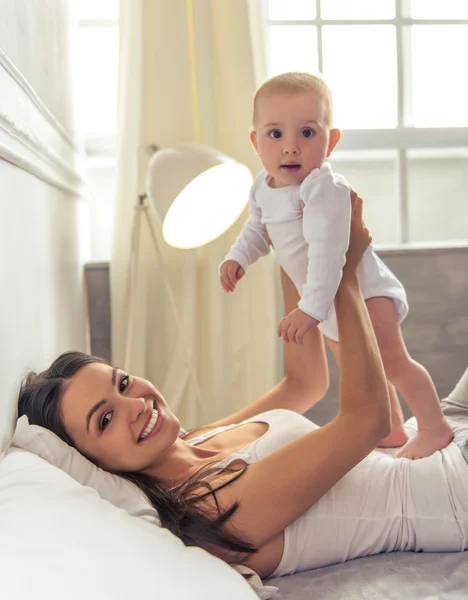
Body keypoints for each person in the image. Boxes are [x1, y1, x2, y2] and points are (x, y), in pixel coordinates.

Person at [17, 196, 468, 581]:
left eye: (123, 383)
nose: (135, 404)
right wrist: (342, 268)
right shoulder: (211, 511)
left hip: (441, 437)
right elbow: (367, 422)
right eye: (106, 418)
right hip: (454, 490)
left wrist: (291, 243)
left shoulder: (197, 440)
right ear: (94, 463)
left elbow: (305, 382)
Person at [219, 71, 453, 459]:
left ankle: (434, 426)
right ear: (255, 140)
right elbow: (257, 231)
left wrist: (308, 309)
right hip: (325, 304)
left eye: (307, 133)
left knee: (391, 362)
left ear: (332, 141)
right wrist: (237, 257)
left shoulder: (323, 188)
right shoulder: (263, 186)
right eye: (276, 134)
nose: (291, 148)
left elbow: (329, 254)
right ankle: (392, 428)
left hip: (363, 293)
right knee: (362, 373)